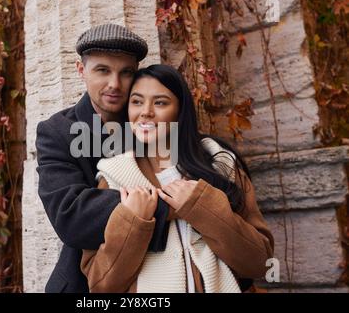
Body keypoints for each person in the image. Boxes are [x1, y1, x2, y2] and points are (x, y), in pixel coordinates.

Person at [80, 64, 275, 293]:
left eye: (160, 102)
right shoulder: (114, 177)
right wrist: (134, 222)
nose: (146, 112)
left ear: (180, 111)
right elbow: (101, 286)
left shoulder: (219, 163)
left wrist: (204, 207)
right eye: (137, 101)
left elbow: (260, 263)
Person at [36, 24, 172, 293]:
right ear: (81, 71)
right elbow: (71, 216)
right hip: (85, 284)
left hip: (161, 277)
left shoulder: (155, 124)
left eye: (126, 73)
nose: (115, 84)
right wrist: (166, 206)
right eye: (102, 70)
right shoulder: (56, 131)